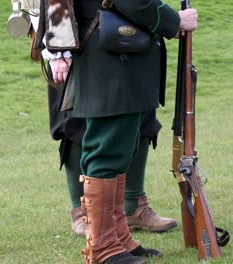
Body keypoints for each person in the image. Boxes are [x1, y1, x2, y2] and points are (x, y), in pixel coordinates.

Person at [44, 0, 198, 263]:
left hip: (118, 50)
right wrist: (173, 20)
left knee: (117, 149)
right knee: (106, 149)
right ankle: (104, 247)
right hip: (113, 55)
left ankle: (117, 237)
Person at [47, 79, 178, 236]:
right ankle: (82, 213)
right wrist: (58, 54)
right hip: (77, 58)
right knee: (77, 119)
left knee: (140, 112)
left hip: (133, 58)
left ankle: (133, 206)